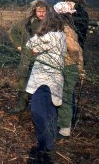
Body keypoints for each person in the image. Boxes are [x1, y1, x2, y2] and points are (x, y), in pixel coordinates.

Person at [25, 11, 67, 152]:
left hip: (44, 80)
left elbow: (30, 44)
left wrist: (39, 34)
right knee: (49, 111)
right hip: (53, 79)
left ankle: (45, 144)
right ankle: (49, 140)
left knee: (39, 111)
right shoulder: (61, 36)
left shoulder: (51, 36)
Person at [8, 0, 50, 113]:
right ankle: (21, 105)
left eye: (44, 11)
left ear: (47, 11)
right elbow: (13, 31)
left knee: (41, 83)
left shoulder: (50, 24)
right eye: (39, 11)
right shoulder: (26, 22)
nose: (41, 13)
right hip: (27, 58)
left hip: (43, 59)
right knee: (23, 81)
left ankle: (39, 107)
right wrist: (18, 46)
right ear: (34, 11)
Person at [54, 2, 84, 138]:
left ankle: (64, 129)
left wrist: (71, 61)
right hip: (69, 66)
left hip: (68, 67)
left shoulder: (65, 29)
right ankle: (64, 122)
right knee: (66, 95)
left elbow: (74, 49)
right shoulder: (67, 28)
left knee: (65, 96)